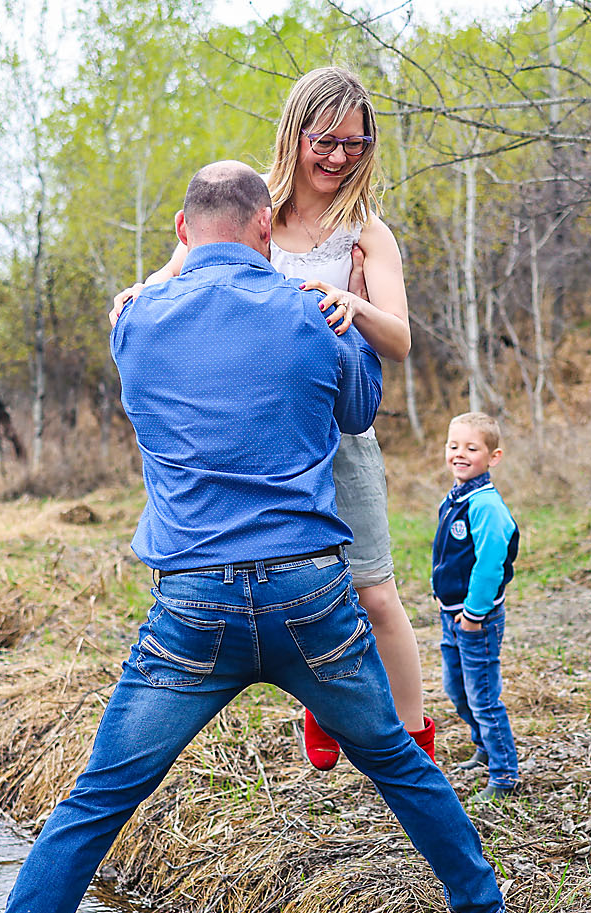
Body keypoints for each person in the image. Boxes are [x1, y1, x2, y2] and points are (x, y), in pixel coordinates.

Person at [0, 161, 514, 913]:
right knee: (391, 751)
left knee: (94, 803)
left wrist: (163, 274)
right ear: (266, 232)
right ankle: (484, 910)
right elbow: (358, 406)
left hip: (193, 608)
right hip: (309, 593)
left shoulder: (136, 325)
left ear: (184, 233)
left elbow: (151, 329)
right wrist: (341, 312)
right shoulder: (310, 315)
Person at [109, 66, 432, 772]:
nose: (340, 156)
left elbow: (401, 340)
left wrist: (352, 305)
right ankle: (325, 703)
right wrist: (141, 291)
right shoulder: (251, 208)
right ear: (296, 134)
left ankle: (414, 747)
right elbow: (180, 273)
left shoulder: (365, 232)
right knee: (301, 585)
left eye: (355, 142)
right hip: (261, 438)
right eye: (326, 140)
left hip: (339, 434)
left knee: (374, 592)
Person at [433, 413, 521, 803]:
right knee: (457, 689)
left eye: (471, 448)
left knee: (484, 696)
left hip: (475, 620)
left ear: (493, 456)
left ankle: (504, 775)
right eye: (454, 446)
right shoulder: (456, 497)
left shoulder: (485, 505)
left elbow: (490, 564)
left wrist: (473, 613)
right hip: (451, 614)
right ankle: (483, 747)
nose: (460, 454)